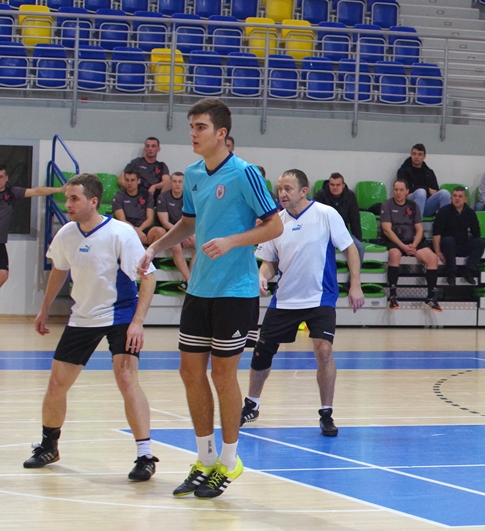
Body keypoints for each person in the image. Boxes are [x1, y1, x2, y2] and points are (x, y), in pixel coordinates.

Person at [138, 99, 282, 499]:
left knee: (222, 375)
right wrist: (155, 248)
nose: (193, 134)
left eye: (200, 127)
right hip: (200, 288)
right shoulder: (194, 174)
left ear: (221, 133)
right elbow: (188, 222)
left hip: (235, 290)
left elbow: (274, 227)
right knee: (190, 373)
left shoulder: (245, 173)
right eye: (191, 127)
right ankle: (205, 459)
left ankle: (230, 460)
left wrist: (232, 240)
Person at [25, 174, 159, 482]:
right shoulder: (67, 234)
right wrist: (44, 309)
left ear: (93, 201)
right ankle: (49, 446)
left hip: (120, 315)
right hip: (83, 316)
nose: (68, 204)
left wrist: (137, 322)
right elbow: (59, 270)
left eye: (74, 198)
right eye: (67, 198)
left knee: (126, 379)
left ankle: (145, 455)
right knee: (57, 383)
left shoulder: (121, 233)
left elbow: (148, 278)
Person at [241, 169, 365, 435]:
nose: (282, 194)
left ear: (303, 191)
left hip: (320, 297)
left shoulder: (325, 214)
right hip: (285, 299)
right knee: (262, 352)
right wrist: (262, 276)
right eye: (279, 189)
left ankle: (326, 413)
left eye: (288, 188)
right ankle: (252, 404)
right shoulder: (275, 222)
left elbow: (350, 248)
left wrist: (355, 284)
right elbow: (269, 263)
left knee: (324, 350)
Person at [380, 178, 441, 312]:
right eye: (396, 190)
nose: (398, 192)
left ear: (407, 192)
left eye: (401, 190)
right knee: (395, 255)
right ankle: (393, 295)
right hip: (395, 241)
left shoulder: (413, 206)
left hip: (413, 241)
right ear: (393, 191)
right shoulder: (387, 205)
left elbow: (419, 229)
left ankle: (431, 297)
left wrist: (413, 245)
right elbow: (387, 230)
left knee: (432, 258)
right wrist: (403, 246)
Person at [0, 166, 58, 290]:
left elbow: (36, 191)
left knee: (3, 274)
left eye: (0, 177)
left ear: (6, 178)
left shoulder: (11, 192)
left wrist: (60, 189)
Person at [432, 187, 485, 286]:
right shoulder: (443, 211)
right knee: (449, 240)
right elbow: (436, 233)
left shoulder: (470, 213)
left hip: (462, 246)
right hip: (447, 247)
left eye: (460, 196)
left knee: (480, 242)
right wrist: (438, 251)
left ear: (465, 199)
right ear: (451, 198)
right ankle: (451, 272)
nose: (457, 198)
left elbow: (476, 233)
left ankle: (469, 271)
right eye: (455, 196)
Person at [147, 171, 193, 284]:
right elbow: (164, 222)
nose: (177, 184)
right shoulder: (163, 197)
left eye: (180, 182)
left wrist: (186, 233)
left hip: (184, 230)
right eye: (175, 181)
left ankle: (190, 279)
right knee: (176, 245)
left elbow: (192, 220)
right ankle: (189, 281)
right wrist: (182, 235)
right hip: (168, 231)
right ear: (171, 183)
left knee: (201, 244)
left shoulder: (189, 198)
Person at [314, 172, 364, 263]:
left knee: (359, 247)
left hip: (343, 233)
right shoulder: (320, 196)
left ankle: (355, 272)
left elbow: (355, 219)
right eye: (332, 185)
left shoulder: (350, 196)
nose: (335, 187)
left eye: (338, 185)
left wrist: (358, 238)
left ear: (343, 185)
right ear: (328, 185)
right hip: (325, 234)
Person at [396, 143, 451, 217]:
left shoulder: (429, 172)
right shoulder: (403, 171)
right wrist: (427, 189)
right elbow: (402, 190)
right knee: (421, 192)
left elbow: (435, 191)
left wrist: (416, 191)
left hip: (427, 204)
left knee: (445, 193)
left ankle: (444, 222)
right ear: (411, 155)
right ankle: (417, 223)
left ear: (424, 156)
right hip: (409, 204)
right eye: (414, 154)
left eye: (420, 154)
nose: (416, 157)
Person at [112, 165, 155, 245]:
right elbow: (121, 219)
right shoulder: (119, 196)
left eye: (132, 180)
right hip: (127, 229)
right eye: (127, 180)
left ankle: (150, 253)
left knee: (160, 231)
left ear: (138, 181)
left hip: (144, 229)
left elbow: (150, 219)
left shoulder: (147, 195)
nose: (129, 183)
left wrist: (140, 230)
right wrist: (136, 231)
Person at [129, 136, 170, 201]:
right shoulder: (136, 162)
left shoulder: (162, 165)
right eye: (147, 146)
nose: (150, 149)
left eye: (153, 146)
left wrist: (155, 186)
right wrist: (133, 189)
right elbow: (121, 180)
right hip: (137, 197)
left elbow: (167, 182)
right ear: (145, 149)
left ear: (158, 149)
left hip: (155, 198)